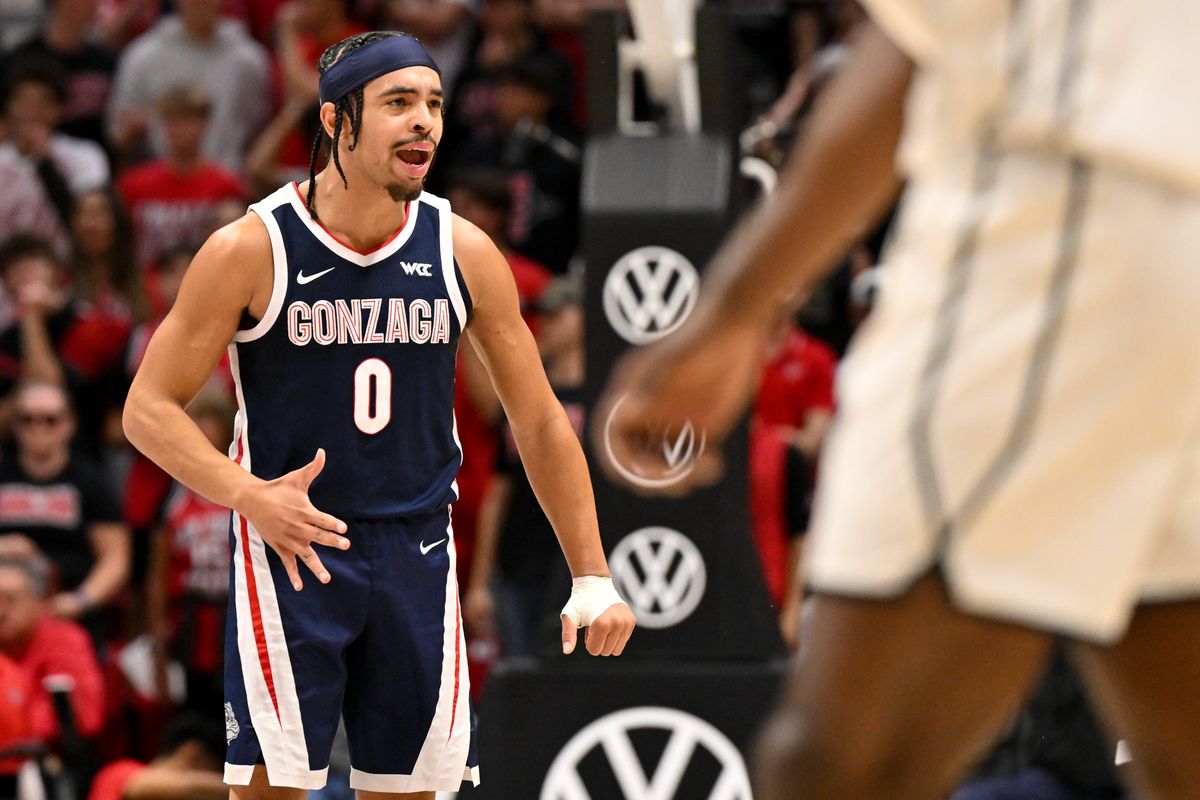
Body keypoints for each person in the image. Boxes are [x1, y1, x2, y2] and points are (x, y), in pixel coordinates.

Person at [599, 8, 1200, 800]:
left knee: (843, 765)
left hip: (1082, 210)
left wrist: (733, 311)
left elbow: (913, 42)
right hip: (1148, 213)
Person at [123, 31, 635, 798]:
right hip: (291, 550)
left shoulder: (462, 249)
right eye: (398, 103)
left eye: (433, 102)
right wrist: (248, 495)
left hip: (418, 552)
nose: (424, 120)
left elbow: (538, 420)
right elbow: (147, 409)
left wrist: (592, 570)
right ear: (336, 121)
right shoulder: (250, 250)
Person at [0, 381, 130, 623]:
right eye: (28, 419)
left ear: (69, 424)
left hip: (69, 615)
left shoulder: (90, 482)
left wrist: (79, 601)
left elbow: (115, 557)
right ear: (15, 426)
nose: (39, 428)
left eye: (50, 420)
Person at [0, 555, 105, 745]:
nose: (1, 611)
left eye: (10, 600)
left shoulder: (65, 639)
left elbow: (86, 717)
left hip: (48, 759)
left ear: (40, 602)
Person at [87, 711, 228, 800]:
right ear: (193, 754)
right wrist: (242, 791)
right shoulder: (121, 770)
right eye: (211, 772)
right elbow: (139, 786)